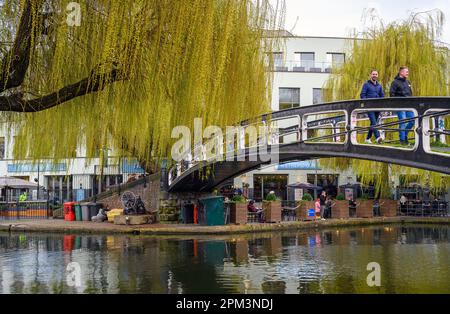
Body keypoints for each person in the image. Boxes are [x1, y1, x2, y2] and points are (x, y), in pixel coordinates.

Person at [390, 66, 414, 146]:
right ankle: (402, 140)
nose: (408, 73)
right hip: (400, 106)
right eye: (406, 71)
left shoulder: (408, 82)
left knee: (412, 121)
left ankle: (405, 135)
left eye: (408, 71)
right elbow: (391, 95)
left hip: (409, 106)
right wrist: (397, 103)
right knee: (403, 122)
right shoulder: (395, 82)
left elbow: (410, 94)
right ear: (401, 72)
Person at [360, 69, 385, 144]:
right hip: (369, 107)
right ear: (370, 75)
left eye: (376, 74)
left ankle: (367, 139)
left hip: (377, 107)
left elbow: (382, 96)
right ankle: (378, 137)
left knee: (373, 123)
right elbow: (362, 95)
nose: (375, 75)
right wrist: (366, 103)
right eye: (373, 74)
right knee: (374, 122)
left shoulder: (379, 86)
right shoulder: (366, 84)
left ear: (377, 75)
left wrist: (382, 104)